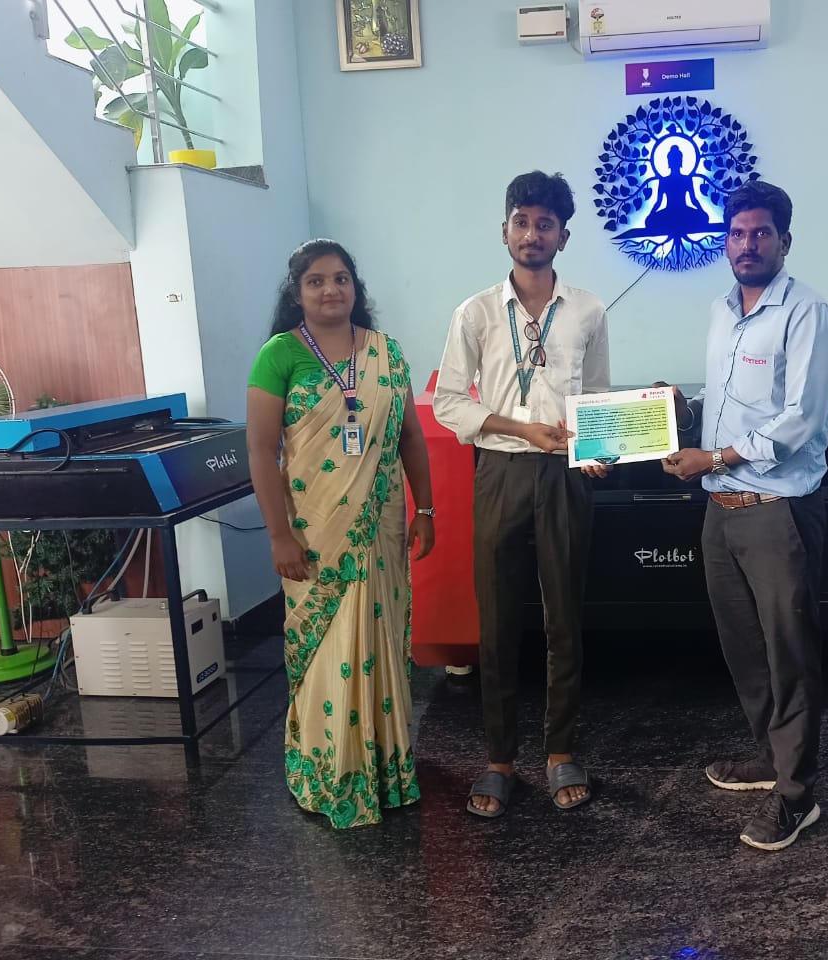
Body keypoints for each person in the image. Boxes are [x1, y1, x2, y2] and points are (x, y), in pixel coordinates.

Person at [662, 180, 828, 851]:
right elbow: (729, 399)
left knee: (789, 652)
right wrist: (681, 410)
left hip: (776, 511)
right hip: (721, 509)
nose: (747, 245)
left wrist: (712, 457)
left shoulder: (808, 313)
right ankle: (772, 756)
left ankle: (797, 795)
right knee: (744, 647)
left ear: (783, 242)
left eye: (761, 233)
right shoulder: (722, 310)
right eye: (736, 234)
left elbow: (801, 420)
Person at [434, 170, 611, 819]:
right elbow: (450, 402)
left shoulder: (588, 310)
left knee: (564, 617)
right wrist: (519, 429)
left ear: (563, 235)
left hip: (565, 476)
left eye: (545, 224)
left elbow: (596, 398)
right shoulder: (475, 312)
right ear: (504, 229)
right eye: (521, 222)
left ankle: (561, 750)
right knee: (498, 618)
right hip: (501, 471)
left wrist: (598, 450)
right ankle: (499, 759)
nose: (531, 233)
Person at [246, 238, 435, 829]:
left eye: (341, 278)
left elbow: (410, 438)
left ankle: (384, 767)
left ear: (356, 287)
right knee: (328, 648)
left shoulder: (384, 352)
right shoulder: (279, 354)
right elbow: (260, 450)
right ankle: (331, 772)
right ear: (297, 292)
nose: (331, 289)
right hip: (314, 532)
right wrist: (279, 535)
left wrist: (426, 510)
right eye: (316, 281)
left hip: (380, 526)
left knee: (380, 639)